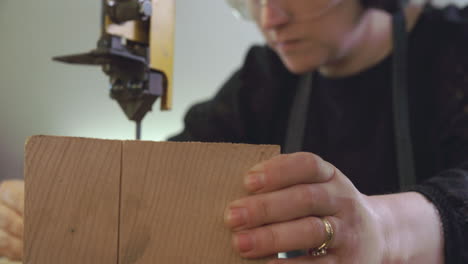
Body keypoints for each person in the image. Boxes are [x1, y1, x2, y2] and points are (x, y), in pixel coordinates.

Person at [1, 0, 467, 262]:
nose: (270, 19)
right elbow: (178, 173)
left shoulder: (455, 52)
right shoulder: (265, 76)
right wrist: (68, 206)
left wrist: (382, 231)